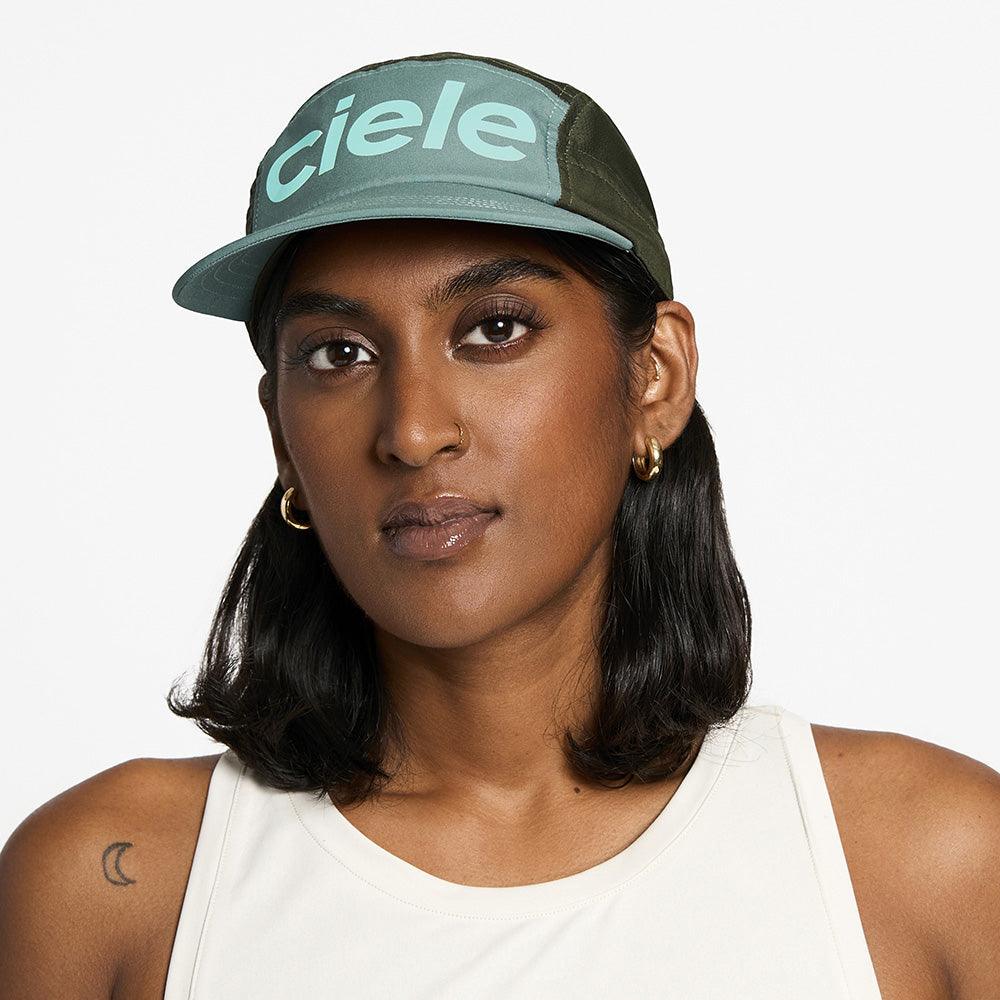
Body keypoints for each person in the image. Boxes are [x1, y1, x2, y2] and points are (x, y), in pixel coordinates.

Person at [1, 50, 997, 1000]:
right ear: (281, 435)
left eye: (495, 328)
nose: (412, 430)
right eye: (339, 353)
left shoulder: (929, 861)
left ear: (654, 379)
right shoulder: (114, 884)